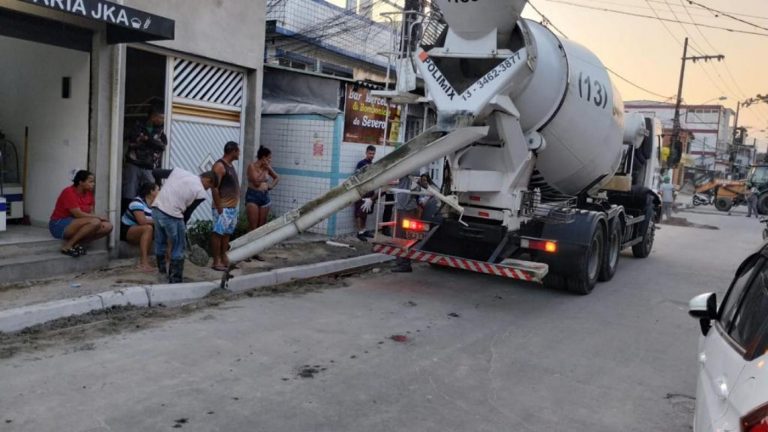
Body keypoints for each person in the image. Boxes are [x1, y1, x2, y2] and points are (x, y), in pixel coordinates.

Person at [152, 168, 217, 283]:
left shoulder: (179, 172)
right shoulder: (200, 192)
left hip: (157, 209)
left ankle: (162, 274)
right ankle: (175, 279)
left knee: (160, 242)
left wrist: (161, 189)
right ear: (208, 180)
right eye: (209, 187)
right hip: (172, 215)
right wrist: (182, 228)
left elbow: (155, 172)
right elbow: (187, 213)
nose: (207, 190)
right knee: (178, 247)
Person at [49, 170, 113, 257]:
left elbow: (91, 213)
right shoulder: (68, 192)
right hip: (59, 224)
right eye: (90, 182)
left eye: (93, 182)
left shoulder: (89, 194)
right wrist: (99, 217)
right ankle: (68, 246)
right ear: (80, 182)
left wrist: (97, 218)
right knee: (95, 222)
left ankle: (77, 243)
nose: (93, 184)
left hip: (76, 222)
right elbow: (78, 214)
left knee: (108, 226)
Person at [121, 103, 167, 214]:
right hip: (133, 163)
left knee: (151, 191)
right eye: (160, 117)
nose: (162, 120)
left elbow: (162, 146)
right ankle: (127, 215)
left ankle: (147, 214)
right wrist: (149, 141)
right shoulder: (138, 126)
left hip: (149, 166)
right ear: (153, 116)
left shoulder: (161, 131)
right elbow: (131, 139)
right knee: (129, 191)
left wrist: (146, 139)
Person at [211, 141, 241, 271]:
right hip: (222, 207)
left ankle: (224, 258)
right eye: (238, 151)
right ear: (233, 151)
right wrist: (219, 207)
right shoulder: (220, 166)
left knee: (227, 233)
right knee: (218, 233)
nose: (239, 153)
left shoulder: (230, 166)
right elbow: (214, 188)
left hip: (231, 208)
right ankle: (216, 261)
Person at [245, 146, 280, 260]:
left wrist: (270, 186)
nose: (270, 160)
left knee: (261, 227)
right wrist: (264, 170)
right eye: (269, 158)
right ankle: (247, 251)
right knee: (253, 226)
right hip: (253, 196)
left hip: (264, 197)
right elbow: (256, 182)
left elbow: (277, 177)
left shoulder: (267, 167)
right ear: (263, 158)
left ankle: (256, 251)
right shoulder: (252, 167)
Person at [120, 182, 159, 272]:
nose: (160, 192)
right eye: (158, 190)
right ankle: (143, 263)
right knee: (148, 228)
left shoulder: (155, 204)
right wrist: (160, 221)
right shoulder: (136, 203)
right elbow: (142, 221)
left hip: (141, 230)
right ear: (151, 192)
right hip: (128, 230)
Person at [392, 172, 422, 273]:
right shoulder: (410, 173)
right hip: (405, 207)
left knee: (402, 236)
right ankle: (402, 262)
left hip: (405, 208)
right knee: (402, 236)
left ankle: (403, 264)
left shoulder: (408, 171)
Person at [353, 145, 377, 241]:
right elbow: (357, 177)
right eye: (370, 153)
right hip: (361, 191)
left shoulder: (373, 164)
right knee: (359, 212)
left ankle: (364, 230)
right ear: (366, 153)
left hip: (369, 191)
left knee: (365, 211)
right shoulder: (361, 164)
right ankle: (360, 232)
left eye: (373, 154)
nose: (372, 155)